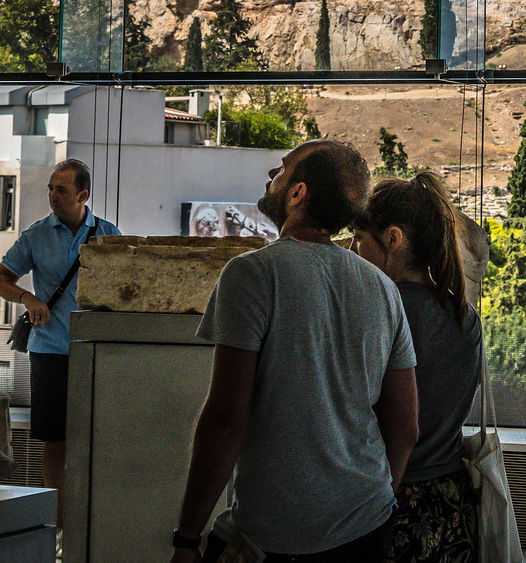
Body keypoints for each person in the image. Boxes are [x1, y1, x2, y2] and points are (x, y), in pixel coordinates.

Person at [171, 140, 417, 563]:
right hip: (367, 522)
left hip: (277, 534)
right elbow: (405, 426)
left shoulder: (252, 275)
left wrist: (188, 538)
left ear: (298, 193)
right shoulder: (382, 288)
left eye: (281, 170)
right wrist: (375, 502)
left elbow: (225, 422)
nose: (272, 176)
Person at [352, 173, 482, 563]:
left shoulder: (377, 314)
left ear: (393, 239)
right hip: (452, 506)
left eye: (359, 237)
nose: (352, 249)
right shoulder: (464, 314)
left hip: (389, 503)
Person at [0, 159, 121, 524]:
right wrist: (26, 299)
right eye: (50, 188)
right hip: (49, 351)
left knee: (98, 438)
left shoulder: (109, 235)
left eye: (61, 190)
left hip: (96, 352)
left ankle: (96, 523)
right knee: (55, 440)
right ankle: (60, 524)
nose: (52, 196)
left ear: (83, 196)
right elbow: (0, 277)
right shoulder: (36, 235)